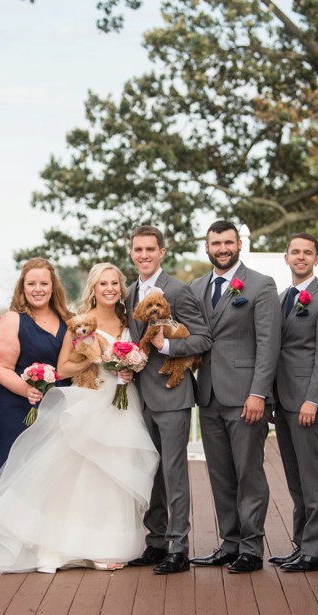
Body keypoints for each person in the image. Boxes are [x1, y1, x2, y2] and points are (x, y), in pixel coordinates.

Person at [0, 263, 159, 574]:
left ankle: (104, 544)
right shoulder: (79, 322)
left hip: (121, 400)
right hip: (89, 399)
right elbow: (63, 367)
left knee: (113, 474)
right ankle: (59, 544)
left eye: (114, 283)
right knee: (79, 475)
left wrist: (127, 366)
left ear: (121, 288)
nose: (109, 288)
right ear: (92, 288)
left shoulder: (127, 319)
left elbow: (140, 352)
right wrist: (101, 360)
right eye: (102, 283)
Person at [189, 220, 280, 574]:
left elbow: (269, 344)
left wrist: (259, 393)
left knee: (248, 474)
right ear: (207, 247)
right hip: (208, 396)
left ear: (239, 244)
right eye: (216, 243)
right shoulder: (196, 288)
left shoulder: (260, 285)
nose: (222, 248)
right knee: (221, 475)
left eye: (228, 242)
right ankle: (229, 543)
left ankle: (251, 547)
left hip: (246, 398)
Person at [125, 225, 212, 575]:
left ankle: (179, 547)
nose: (144, 255)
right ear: (131, 253)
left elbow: (203, 338)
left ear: (162, 252)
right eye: (138, 249)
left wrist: (169, 347)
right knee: (152, 474)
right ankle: (156, 541)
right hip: (139, 398)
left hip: (173, 397)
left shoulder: (178, 289)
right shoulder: (130, 292)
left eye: (150, 249)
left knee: (175, 473)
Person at [270, 234, 318, 573]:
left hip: (309, 403)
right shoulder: (283, 297)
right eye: (295, 252)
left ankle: (316, 551)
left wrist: (312, 400)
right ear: (286, 258)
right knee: (296, 479)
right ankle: (301, 545)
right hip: (284, 402)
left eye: (307, 253)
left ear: (317, 259)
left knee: (313, 478)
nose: (301, 257)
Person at [0, 257, 71, 472]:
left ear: (53, 287)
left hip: (57, 410)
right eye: (31, 284)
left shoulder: (67, 319)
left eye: (44, 284)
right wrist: (26, 390)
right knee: (18, 472)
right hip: (19, 408)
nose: (38, 289)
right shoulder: (13, 320)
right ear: (22, 287)